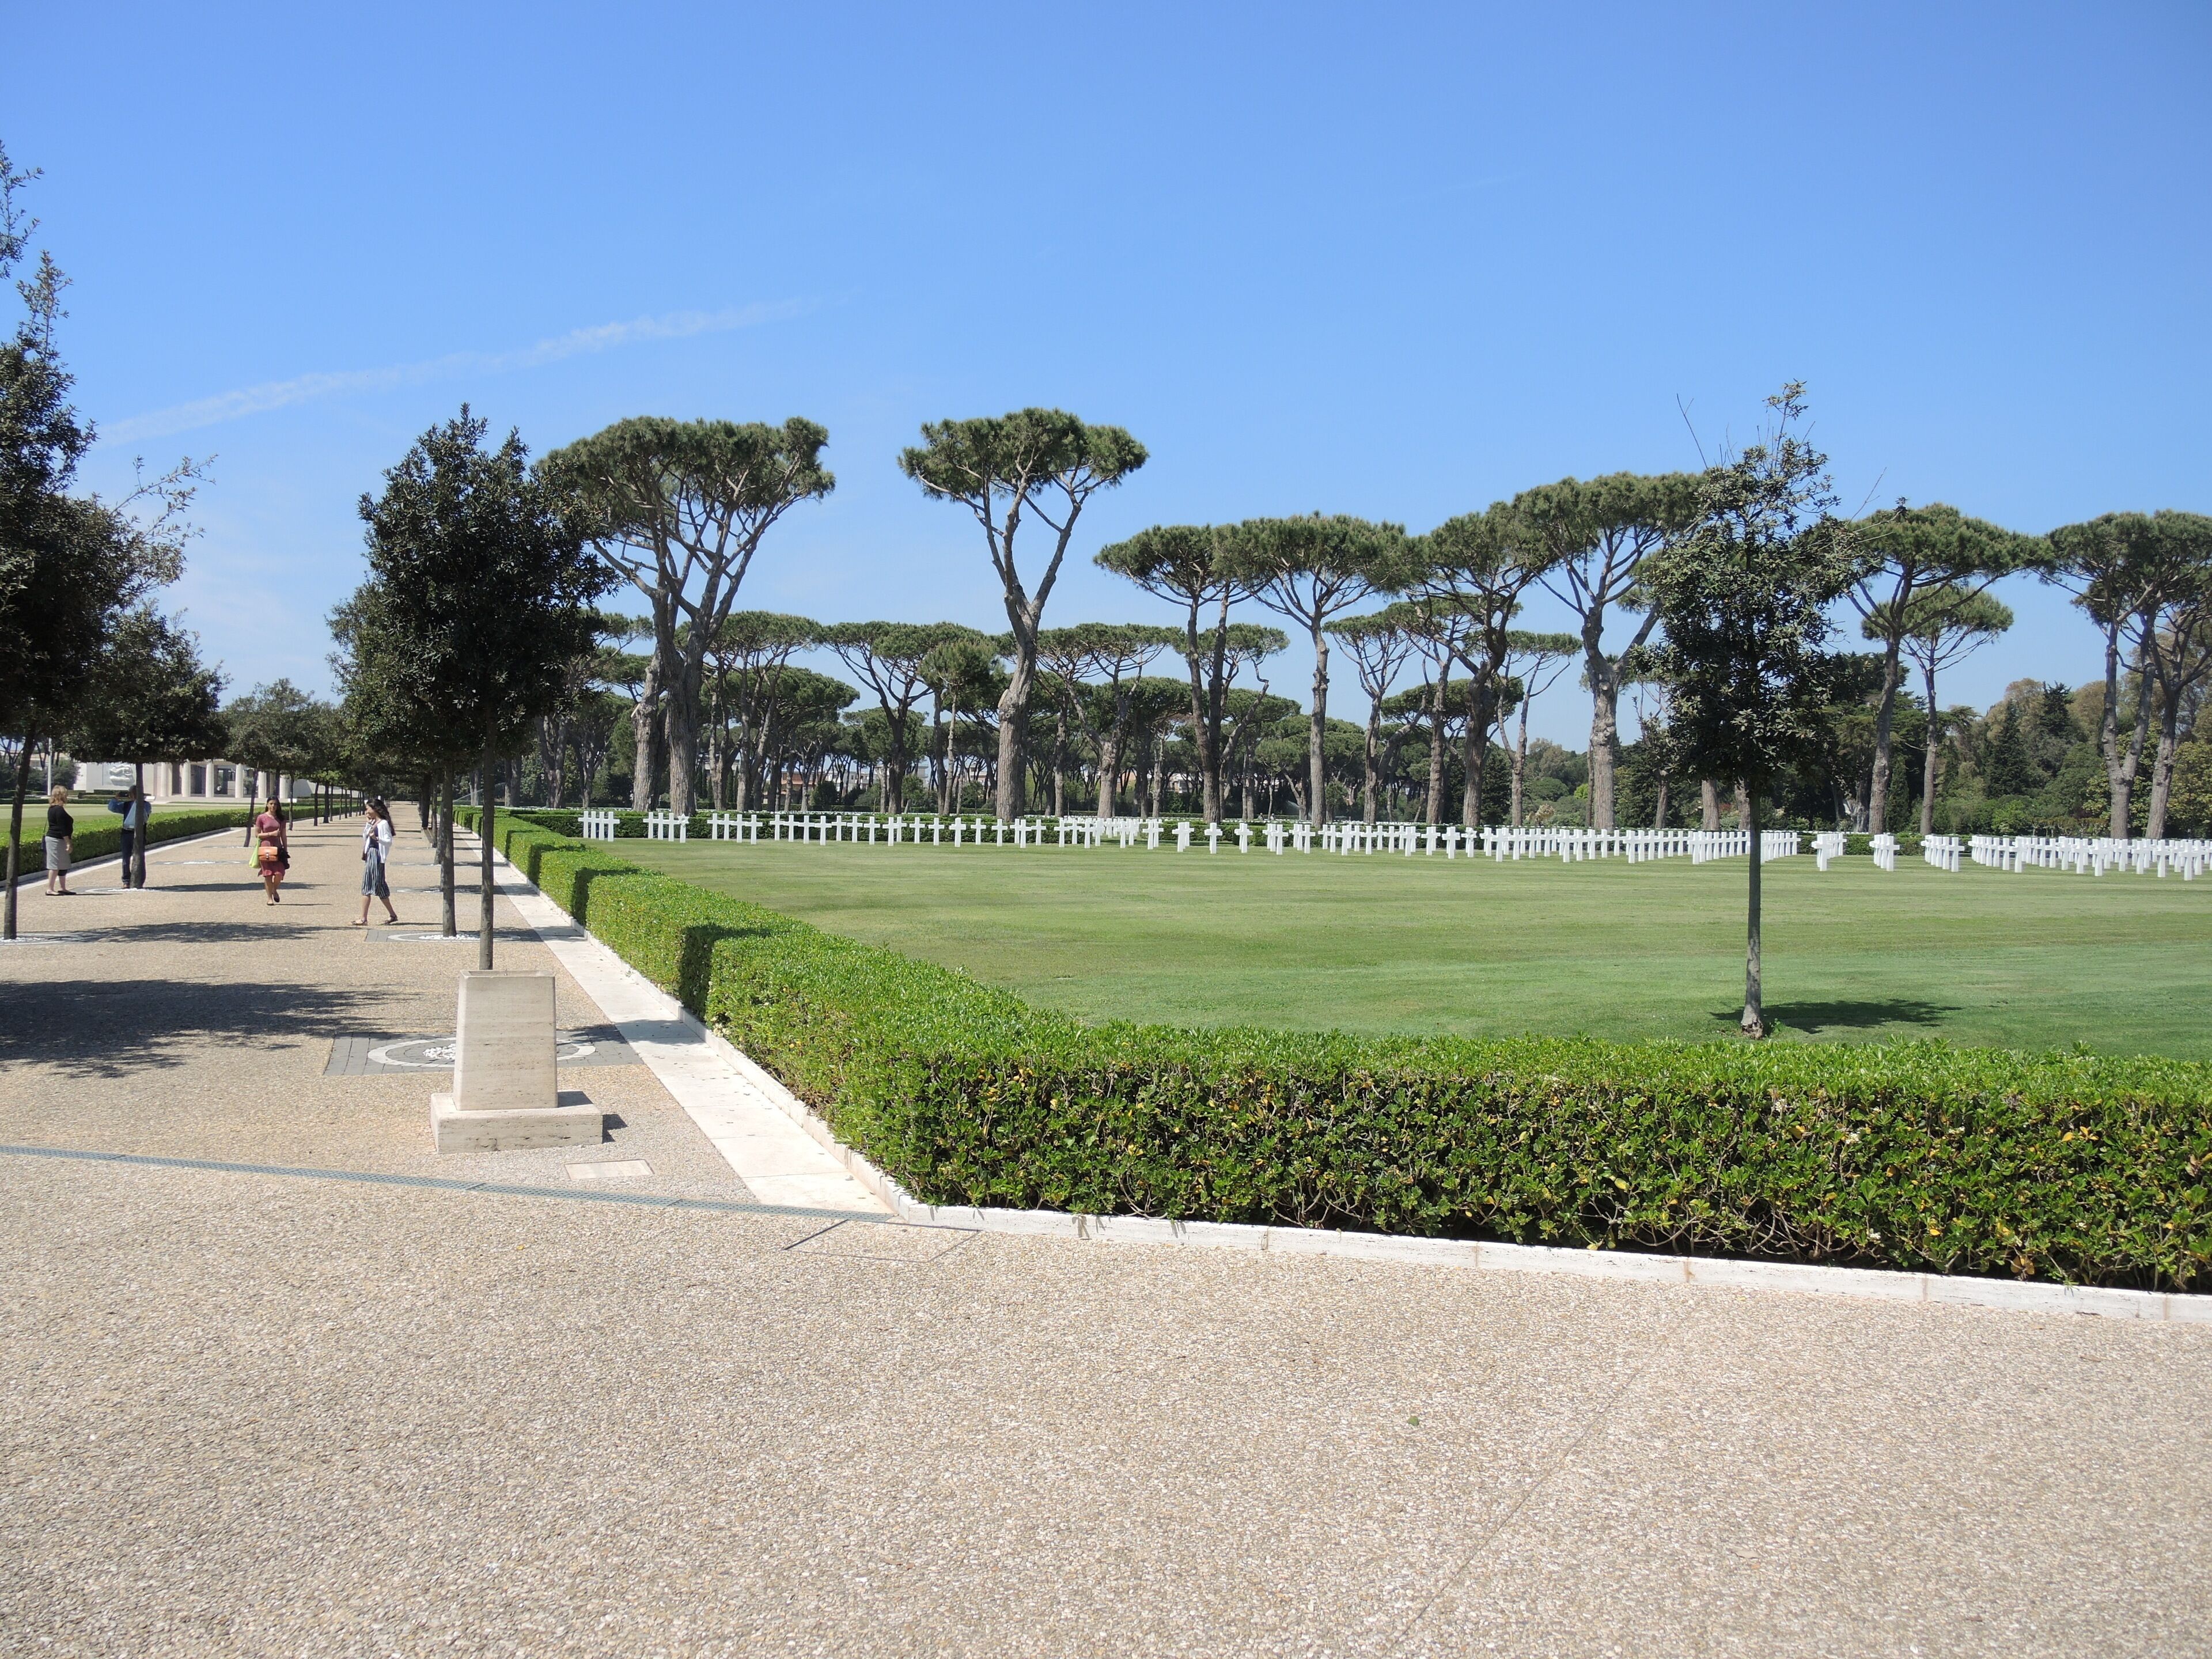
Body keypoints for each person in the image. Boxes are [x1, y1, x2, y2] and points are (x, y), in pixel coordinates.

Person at [354, 798, 399, 926]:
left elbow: (388, 841)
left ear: (375, 809)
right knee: (379, 888)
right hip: (371, 855)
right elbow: (365, 837)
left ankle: (363, 918)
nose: (366, 812)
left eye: (368, 809)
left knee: (368, 886)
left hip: (377, 856)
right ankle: (392, 915)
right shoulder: (374, 822)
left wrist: (377, 838)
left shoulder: (383, 824)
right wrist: (368, 825)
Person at [105, 783, 150, 889]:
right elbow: (112, 808)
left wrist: (137, 800)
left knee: (139, 856)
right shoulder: (127, 805)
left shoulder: (146, 805)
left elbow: (145, 813)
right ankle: (126, 880)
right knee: (126, 858)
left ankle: (139, 879)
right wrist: (115, 798)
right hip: (127, 832)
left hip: (138, 833)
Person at [253, 797, 289, 905]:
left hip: (278, 848)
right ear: (267, 805)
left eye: (275, 804)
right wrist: (270, 834)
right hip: (266, 848)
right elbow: (257, 834)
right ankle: (270, 898)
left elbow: (284, 836)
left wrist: (286, 849)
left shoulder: (281, 819)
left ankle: (274, 889)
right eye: (271, 804)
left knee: (279, 873)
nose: (273, 806)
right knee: (268, 874)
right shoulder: (261, 818)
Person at [43, 786, 73, 896]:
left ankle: (62, 887)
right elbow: (63, 828)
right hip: (56, 839)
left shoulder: (53, 808)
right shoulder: (59, 810)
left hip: (57, 839)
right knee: (55, 865)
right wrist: (68, 842)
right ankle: (50, 888)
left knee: (63, 864)